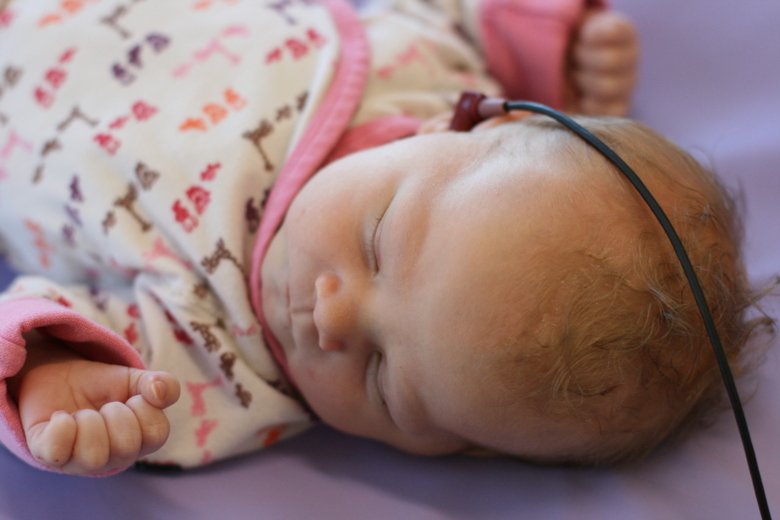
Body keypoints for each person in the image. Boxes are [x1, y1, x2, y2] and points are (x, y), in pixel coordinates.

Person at [1, 0, 754, 477]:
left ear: (452, 449)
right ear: (470, 123)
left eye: (385, 382)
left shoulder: (226, 371)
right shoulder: (414, 71)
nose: (330, 320)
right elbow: (457, 14)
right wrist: (551, 40)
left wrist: (59, 378)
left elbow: (78, 337)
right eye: (378, 242)